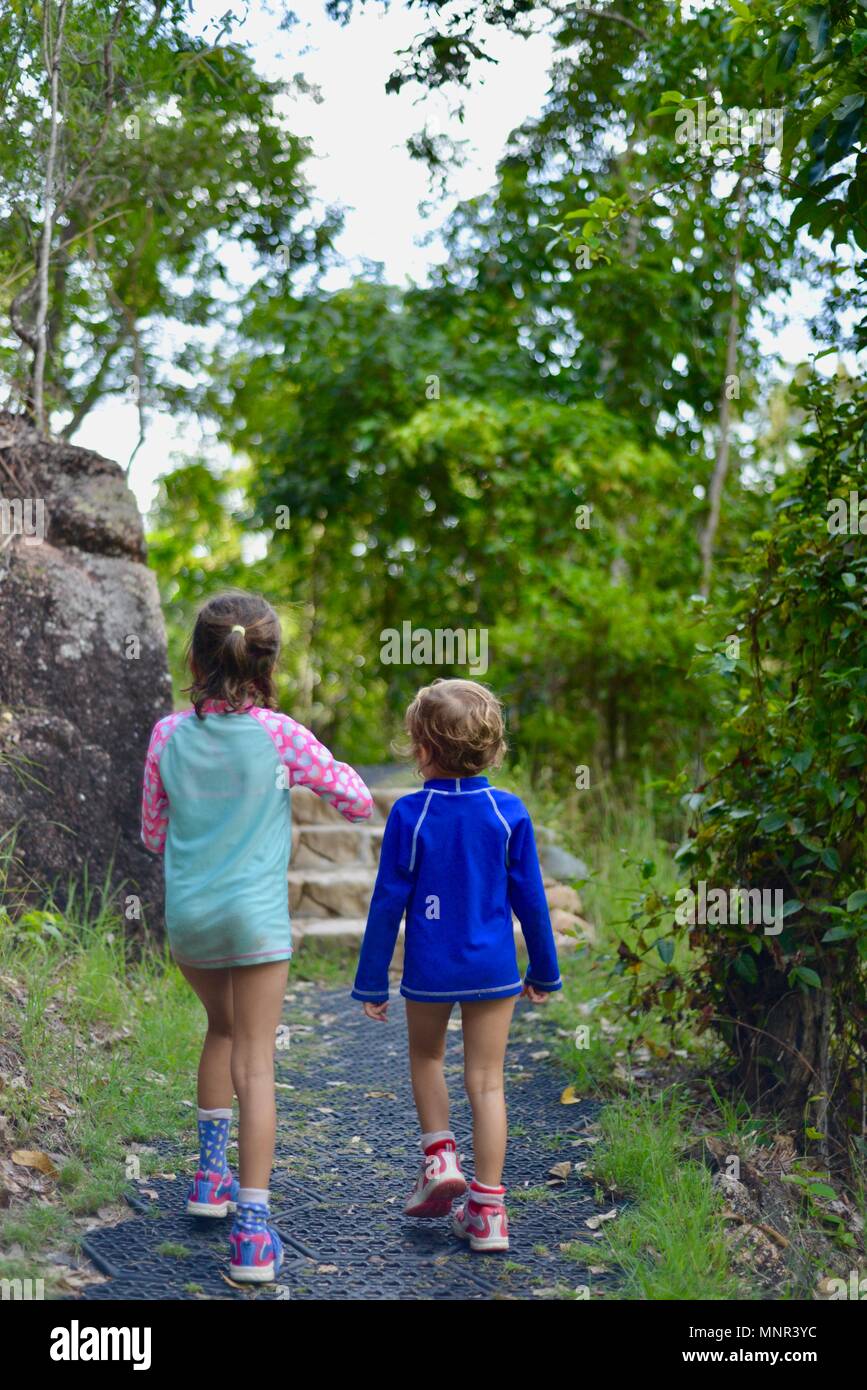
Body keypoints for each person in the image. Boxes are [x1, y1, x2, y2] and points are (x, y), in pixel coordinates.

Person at [141, 590, 372, 1282]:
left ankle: (209, 1183)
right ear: (266, 662)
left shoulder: (166, 736)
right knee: (257, 1062)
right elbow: (356, 801)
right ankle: (251, 1234)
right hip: (257, 922)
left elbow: (153, 834)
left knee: (221, 1031)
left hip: (192, 920)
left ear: (196, 656)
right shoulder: (281, 736)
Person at [352, 678, 561, 1252]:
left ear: (421, 749)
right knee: (487, 1082)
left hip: (431, 971)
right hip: (494, 971)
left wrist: (372, 979)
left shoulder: (409, 814)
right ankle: (488, 1214)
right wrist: (544, 970)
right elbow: (531, 899)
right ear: (493, 750)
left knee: (426, 1056)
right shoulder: (508, 811)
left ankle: (439, 1156)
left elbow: (387, 902)